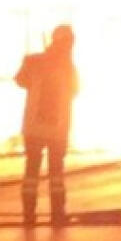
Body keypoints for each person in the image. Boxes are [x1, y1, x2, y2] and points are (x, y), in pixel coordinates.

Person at [15, 25, 79, 226]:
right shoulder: (68, 67)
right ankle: (58, 215)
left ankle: (29, 216)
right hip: (57, 130)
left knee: (31, 174)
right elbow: (75, 91)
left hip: (34, 128)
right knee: (56, 176)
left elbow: (20, 81)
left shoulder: (33, 61)